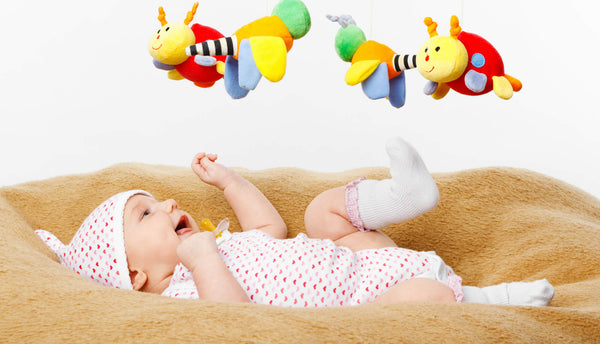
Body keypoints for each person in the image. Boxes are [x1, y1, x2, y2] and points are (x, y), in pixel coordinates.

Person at [36, 137, 554, 307]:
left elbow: (271, 233)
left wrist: (231, 184)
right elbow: (240, 322)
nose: (168, 205)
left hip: (361, 257)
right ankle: (496, 298)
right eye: (145, 214)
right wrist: (204, 257)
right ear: (135, 277)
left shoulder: (213, 243)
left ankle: (404, 196)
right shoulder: (186, 297)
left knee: (317, 214)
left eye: (157, 201)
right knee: (427, 301)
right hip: (362, 302)